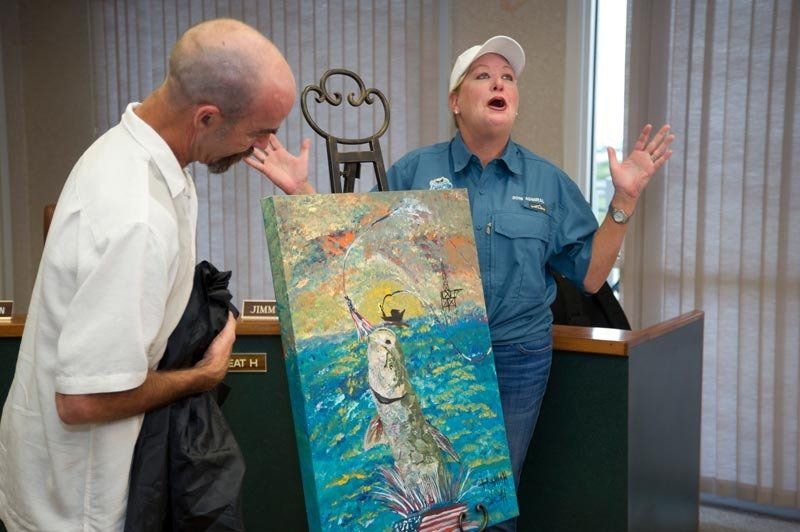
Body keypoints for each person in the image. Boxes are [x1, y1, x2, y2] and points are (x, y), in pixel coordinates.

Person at [251, 35, 673, 531]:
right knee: (425, 504)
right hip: (432, 356)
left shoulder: (548, 182)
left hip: (519, 359)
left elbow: (593, 275)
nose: (499, 83)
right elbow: (355, 240)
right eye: (483, 75)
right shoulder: (414, 169)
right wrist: (302, 192)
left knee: (489, 503)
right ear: (456, 101)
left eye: (508, 78)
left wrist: (624, 200)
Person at [0, 19, 296, 531]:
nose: (261, 147)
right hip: (81, 507)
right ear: (206, 117)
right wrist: (203, 376)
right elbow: (82, 399)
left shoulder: (132, 150)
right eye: (258, 132)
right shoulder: (136, 216)